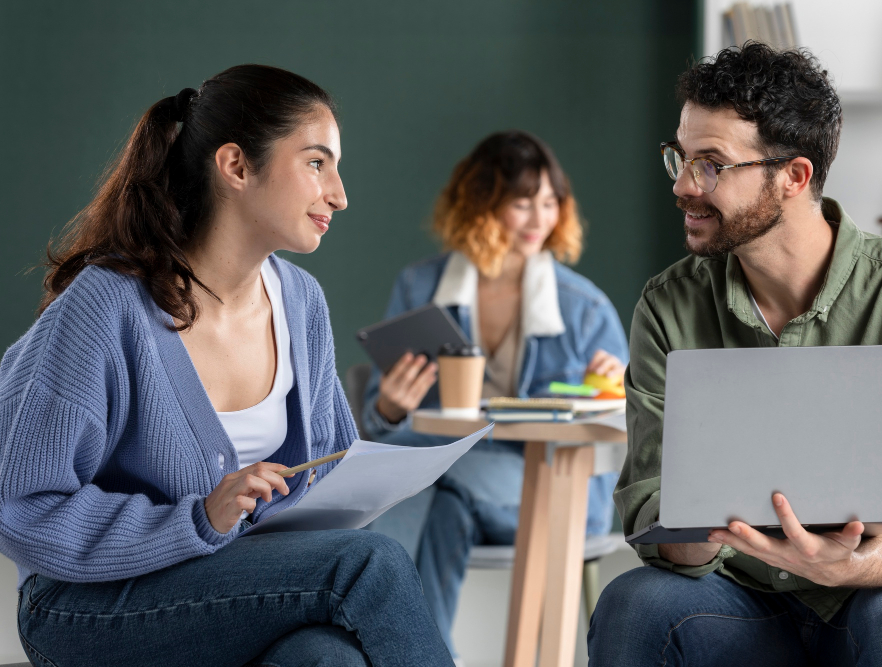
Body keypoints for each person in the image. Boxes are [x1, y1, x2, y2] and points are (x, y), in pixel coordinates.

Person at [0, 64, 453, 667]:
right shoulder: (106, 306)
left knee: (325, 658)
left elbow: (329, 477)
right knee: (369, 563)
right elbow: (21, 504)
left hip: (232, 589)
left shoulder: (301, 303)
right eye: (316, 163)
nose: (339, 194)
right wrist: (196, 518)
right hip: (85, 606)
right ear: (236, 166)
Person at [588, 44, 882, 667]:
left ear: (794, 177)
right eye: (680, 157)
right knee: (633, 602)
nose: (683, 185)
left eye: (711, 165)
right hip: (741, 594)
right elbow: (650, 499)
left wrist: (852, 565)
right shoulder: (668, 305)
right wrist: (694, 535)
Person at [360, 130, 629, 657]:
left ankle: (404, 652)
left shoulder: (584, 308)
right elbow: (378, 417)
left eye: (550, 202)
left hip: (552, 488)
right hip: (448, 489)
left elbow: (626, 422)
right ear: (481, 202)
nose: (539, 219)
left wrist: (615, 386)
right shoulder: (420, 288)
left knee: (423, 482)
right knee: (446, 500)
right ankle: (432, 656)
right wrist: (392, 405)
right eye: (523, 202)